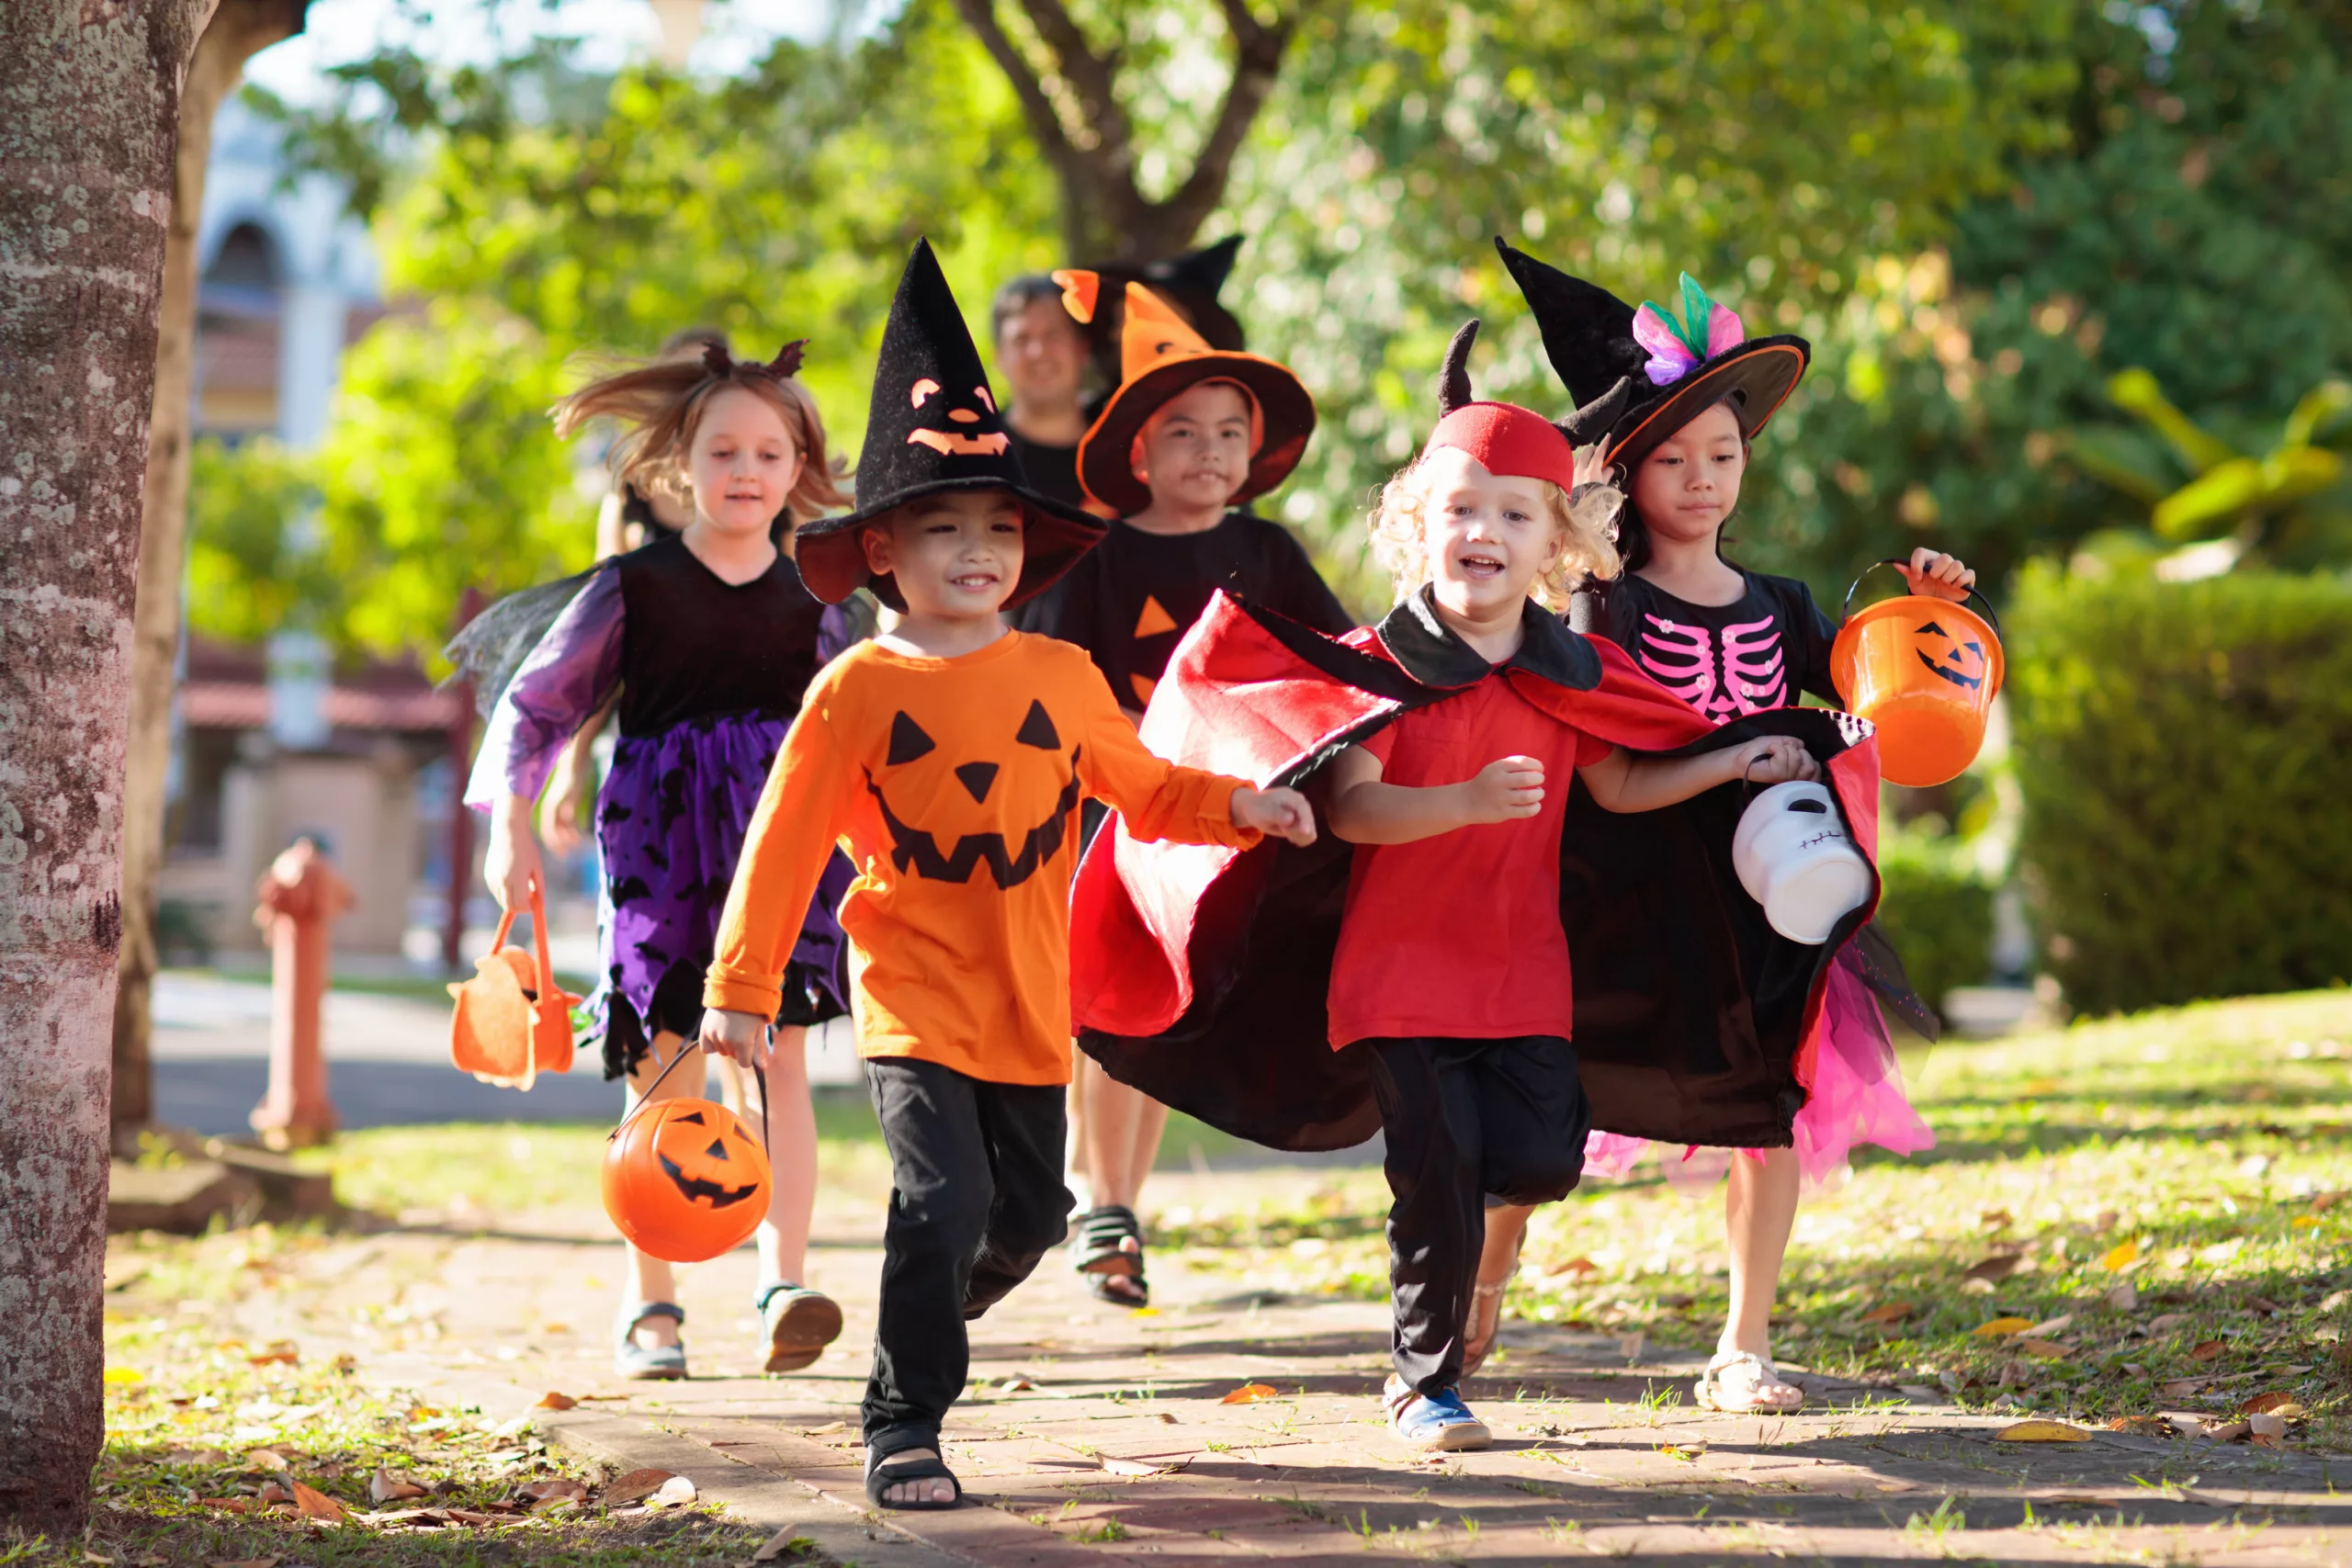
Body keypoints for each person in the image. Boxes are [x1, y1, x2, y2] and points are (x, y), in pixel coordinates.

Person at [1064, 325, 1889, 1455]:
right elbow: (1354, 807)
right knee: (1436, 1175)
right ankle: (1423, 1381)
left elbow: (1627, 776)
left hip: (1523, 977)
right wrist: (1455, 805)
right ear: (1417, 530)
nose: (1482, 532)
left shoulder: (1573, 672)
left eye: (1512, 514)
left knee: (1543, 1157)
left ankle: (1459, 1302)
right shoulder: (1378, 669)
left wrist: (1730, 760)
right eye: (1459, 509)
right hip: (1396, 977)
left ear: (1556, 545)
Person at [696, 240, 1317, 1511]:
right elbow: (786, 838)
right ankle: (904, 1417)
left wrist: (1246, 805)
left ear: (1027, 551)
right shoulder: (860, 687)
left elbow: (1144, 787)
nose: (973, 551)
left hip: (1036, 1000)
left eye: (994, 528)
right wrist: (741, 989)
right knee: (943, 1193)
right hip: (916, 994)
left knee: (1026, 1217)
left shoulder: (1058, 679)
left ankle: (913, 1319)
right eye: (940, 529)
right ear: (882, 550)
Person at [1470, 240, 1962, 1413]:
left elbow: (1882, 705)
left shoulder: (1787, 606)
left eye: (1724, 452)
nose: (1702, 477)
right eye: (1674, 458)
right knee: (1552, 1105)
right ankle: (1482, 1277)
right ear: (1624, 475)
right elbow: (1597, 767)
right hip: (1626, 895)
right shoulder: (1602, 602)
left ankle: (1743, 1344)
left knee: (1770, 1106)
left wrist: (1925, 610)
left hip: (1764, 903)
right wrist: (1729, 753)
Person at [458, 338, 855, 1382]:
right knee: (664, 1066)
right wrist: (509, 827)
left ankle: (785, 1281)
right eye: (724, 449)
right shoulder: (632, 588)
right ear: (681, 461)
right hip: (656, 847)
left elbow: (864, 733)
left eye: (771, 453)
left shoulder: (822, 600)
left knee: (780, 1064)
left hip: (781, 850)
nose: (747, 471)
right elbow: (537, 708)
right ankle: (654, 1306)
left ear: (797, 467)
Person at [1019, 277, 1352, 1305]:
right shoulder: (1101, 554)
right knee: (1115, 1000)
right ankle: (1100, 1198)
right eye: (1183, 432)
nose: (1208, 453)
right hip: (1118, 813)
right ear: (1137, 452)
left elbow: (1332, 662)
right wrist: (1136, 755)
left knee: (1160, 1010)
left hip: (1227, 817)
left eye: (1227, 433)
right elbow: (1056, 682)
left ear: (1253, 452)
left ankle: (1110, 1196)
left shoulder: (1266, 552)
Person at [990, 276, 1092, 510]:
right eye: (1021, 339)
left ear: (1082, 348)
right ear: (999, 358)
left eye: (1053, 335)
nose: (1038, 352)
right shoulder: (978, 460)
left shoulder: (1127, 451)